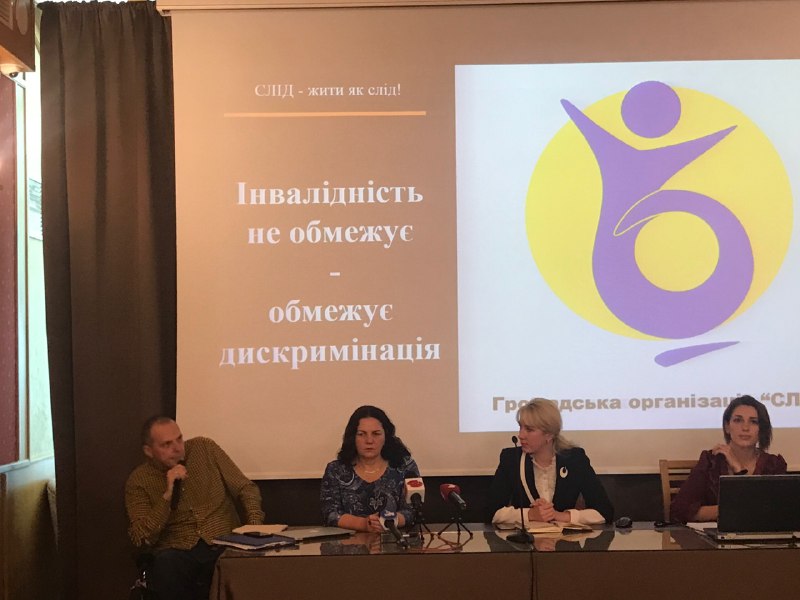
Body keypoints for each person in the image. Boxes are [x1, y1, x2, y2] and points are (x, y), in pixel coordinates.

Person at [125, 416, 264, 600]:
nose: (177, 448)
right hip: (178, 549)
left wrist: (254, 527)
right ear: (149, 451)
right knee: (166, 565)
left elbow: (246, 488)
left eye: (179, 439)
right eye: (166, 445)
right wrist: (167, 496)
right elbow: (141, 538)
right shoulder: (139, 481)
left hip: (221, 541)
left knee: (235, 564)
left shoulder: (204, 448)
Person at [488, 398, 614, 526]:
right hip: (525, 539)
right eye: (520, 427)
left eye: (529, 430)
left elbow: (605, 512)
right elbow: (490, 512)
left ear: (549, 435)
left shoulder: (575, 459)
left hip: (565, 538)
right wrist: (530, 514)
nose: (521, 435)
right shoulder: (511, 459)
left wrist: (560, 516)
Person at [670, 395, 786, 523]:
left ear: (762, 429)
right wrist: (729, 510)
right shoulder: (711, 462)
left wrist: (738, 469)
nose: (745, 428)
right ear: (727, 426)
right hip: (716, 535)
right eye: (738, 420)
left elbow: (779, 513)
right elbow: (679, 511)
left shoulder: (773, 465)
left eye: (753, 422)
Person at [320, 405, 420, 532]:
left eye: (376, 434)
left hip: (395, 539)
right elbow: (330, 514)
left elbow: (412, 510)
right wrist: (364, 524)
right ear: (353, 437)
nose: (369, 440)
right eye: (361, 434)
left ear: (386, 436)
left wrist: (390, 522)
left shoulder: (405, 466)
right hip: (349, 541)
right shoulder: (336, 470)